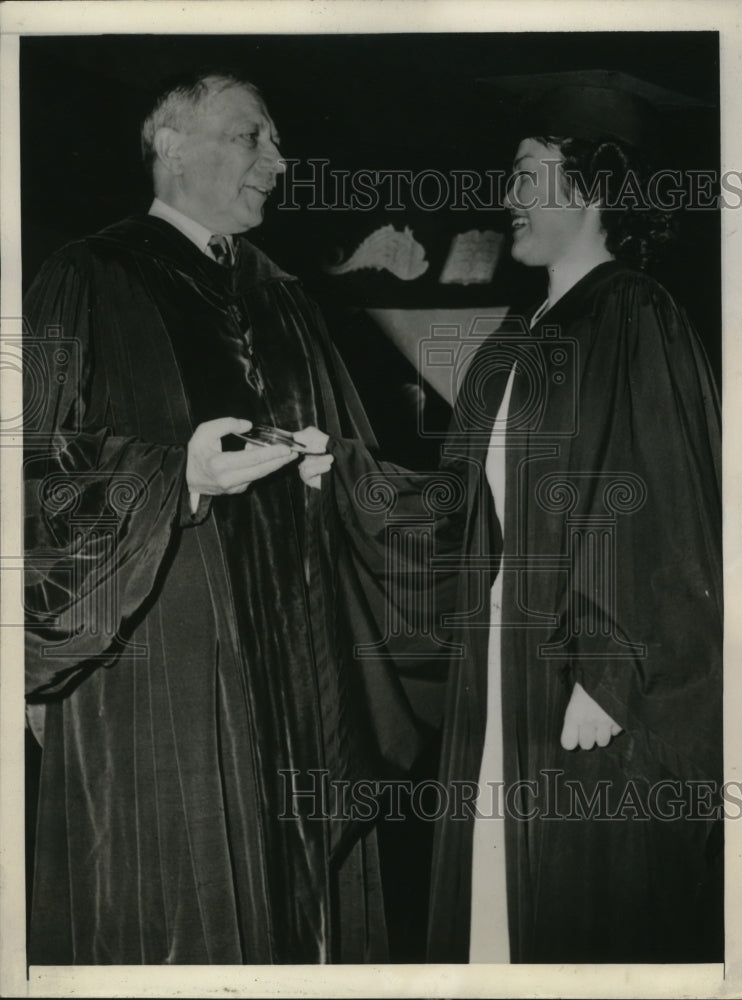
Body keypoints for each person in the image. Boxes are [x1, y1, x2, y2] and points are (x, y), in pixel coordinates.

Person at [298, 70, 724, 963]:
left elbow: (663, 502)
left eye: (527, 173)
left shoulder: (636, 314)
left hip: (582, 676)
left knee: (569, 905)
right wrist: (342, 475)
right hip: (500, 666)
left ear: (594, 186)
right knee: (494, 905)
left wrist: (608, 668)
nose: (507, 197)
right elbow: (465, 508)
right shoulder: (516, 335)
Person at [23, 70, 423, 965]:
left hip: (297, 656)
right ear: (171, 147)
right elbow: (32, 465)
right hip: (163, 659)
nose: (278, 161)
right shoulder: (88, 276)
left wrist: (332, 470)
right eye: (252, 137)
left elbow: (359, 465)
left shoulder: (283, 296)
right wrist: (178, 477)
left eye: (276, 142)